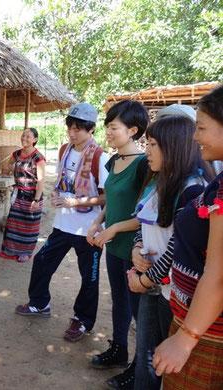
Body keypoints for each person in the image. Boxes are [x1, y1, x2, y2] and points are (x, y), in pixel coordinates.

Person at [127, 115, 210, 390]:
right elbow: (144, 221)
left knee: (162, 362)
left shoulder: (191, 189)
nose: (147, 151)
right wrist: (137, 248)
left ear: (173, 146)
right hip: (154, 287)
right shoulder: (158, 181)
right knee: (146, 357)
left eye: (153, 144)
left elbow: (177, 247)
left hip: (171, 293)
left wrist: (145, 279)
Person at [15, 103, 109, 342]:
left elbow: (108, 196)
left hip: (89, 228)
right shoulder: (64, 150)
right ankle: (39, 303)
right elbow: (62, 181)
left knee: (89, 277)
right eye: (70, 127)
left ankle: (82, 321)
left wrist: (76, 202)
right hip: (63, 224)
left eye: (79, 128)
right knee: (42, 262)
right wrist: (59, 197)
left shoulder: (100, 156)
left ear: (92, 129)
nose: (73, 132)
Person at [152, 85, 223, 389]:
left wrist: (186, 337)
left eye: (202, 128)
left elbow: (219, 273)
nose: (196, 137)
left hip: (207, 333)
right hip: (195, 319)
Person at [86, 100, 150, 389]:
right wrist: (98, 221)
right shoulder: (113, 161)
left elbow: (146, 215)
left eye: (114, 127)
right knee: (119, 300)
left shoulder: (144, 165)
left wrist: (113, 228)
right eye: (108, 126)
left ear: (133, 130)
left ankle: (139, 368)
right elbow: (111, 201)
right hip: (113, 245)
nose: (108, 132)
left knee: (140, 311)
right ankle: (119, 349)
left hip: (135, 250)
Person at [0, 128, 45, 263]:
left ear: (35, 140)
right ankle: (11, 251)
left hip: (32, 196)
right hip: (19, 194)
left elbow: (41, 181)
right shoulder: (17, 154)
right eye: (23, 136)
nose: (24, 138)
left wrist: (36, 200)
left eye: (28, 136)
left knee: (29, 226)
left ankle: (25, 252)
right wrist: (16, 173)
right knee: (13, 224)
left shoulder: (38, 157)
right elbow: (9, 164)